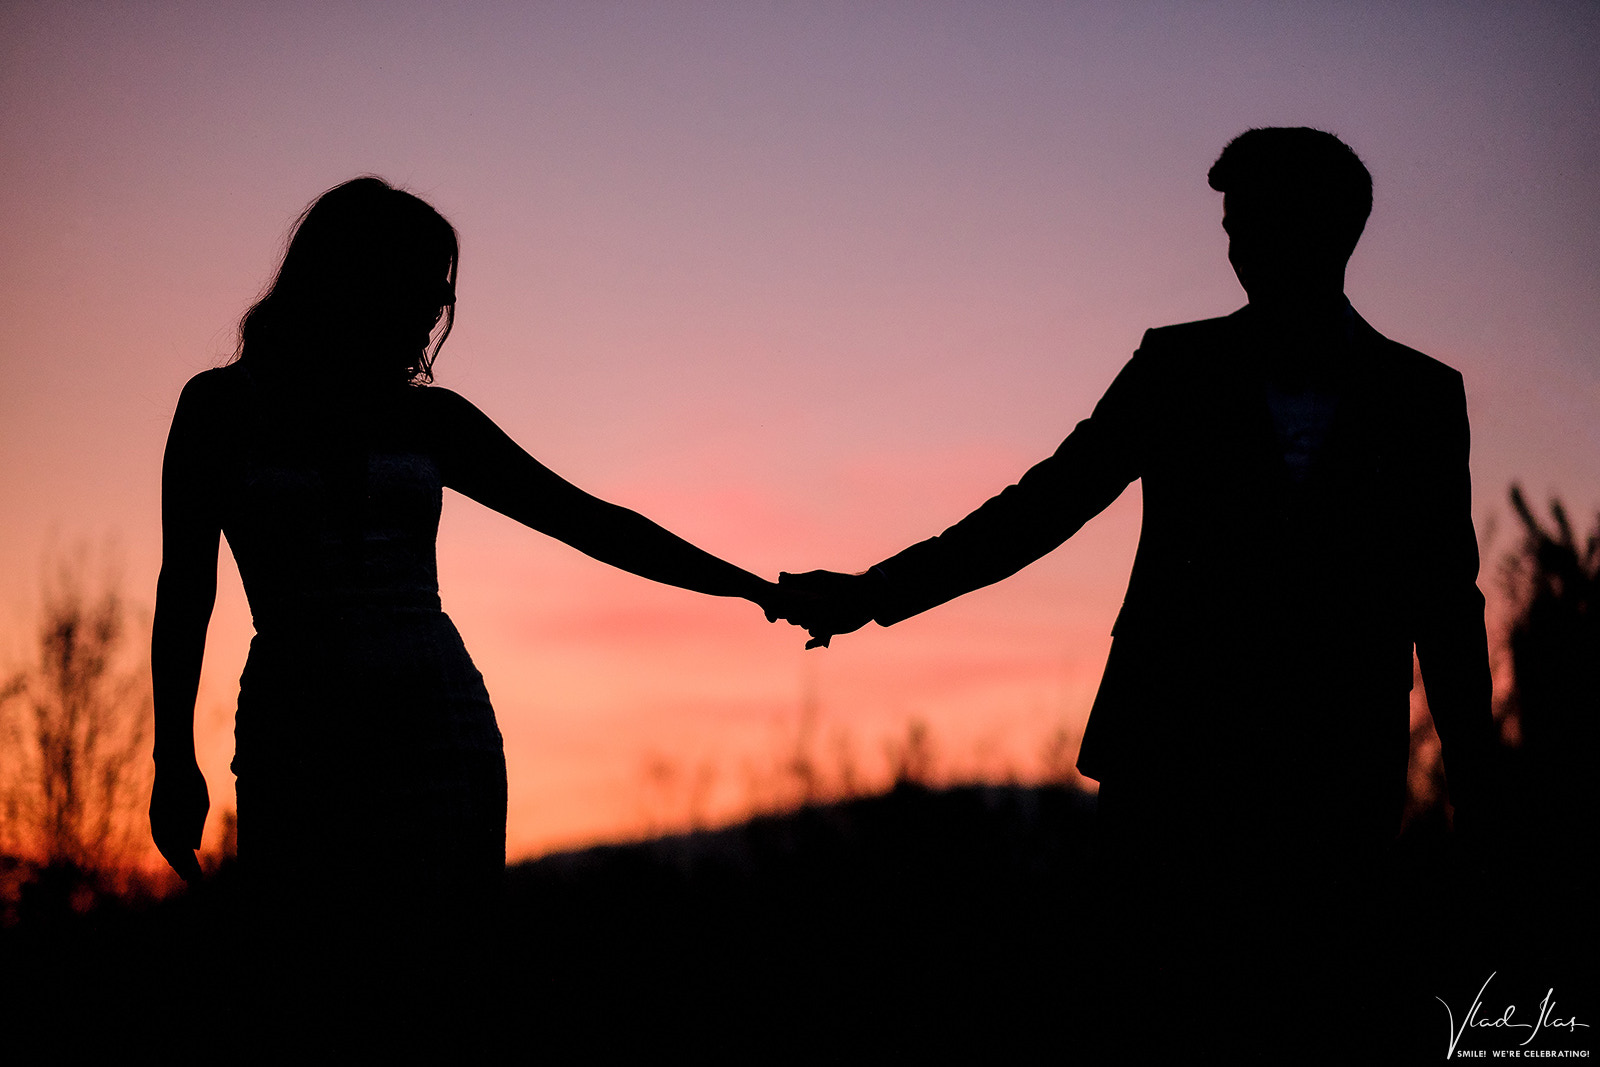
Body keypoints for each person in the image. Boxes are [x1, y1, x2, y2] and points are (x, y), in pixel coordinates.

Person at [780, 128, 1498, 1047]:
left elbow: (1447, 601)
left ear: (1327, 231)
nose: (1235, 247)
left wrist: (1482, 792)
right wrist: (871, 592)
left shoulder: (1422, 398)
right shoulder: (1176, 366)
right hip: (1171, 774)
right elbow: (1043, 506)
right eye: (1230, 228)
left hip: (1331, 785)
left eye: (1252, 225)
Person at [148, 177, 793, 980]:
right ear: (358, 276)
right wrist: (172, 757)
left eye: (443, 286)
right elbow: (186, 592)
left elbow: (588, 520)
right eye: (423, 280)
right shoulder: (219, 408)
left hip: (438, 728)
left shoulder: (432, 418)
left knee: (449, 974)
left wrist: (755, 587)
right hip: (298, 728)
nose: (438, 303)